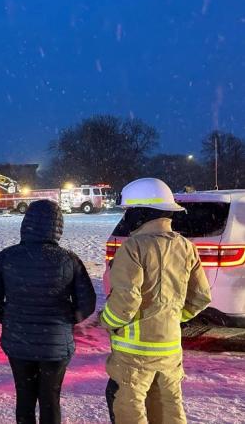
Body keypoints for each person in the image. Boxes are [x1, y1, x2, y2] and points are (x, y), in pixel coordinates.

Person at [101, 178, 212, 424]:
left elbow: (126, 300)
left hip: (134, 355)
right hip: (170, 350)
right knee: (168, 411)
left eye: (129, 211)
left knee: (129, 410)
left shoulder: (133, 248)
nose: (126, 217)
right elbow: (201, 296)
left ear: (141, 213)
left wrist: (108, 321)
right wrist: (172, 318)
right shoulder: (185, 246)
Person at [0, 199, 96, 424]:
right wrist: (66, 320)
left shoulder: (7, 257)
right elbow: (87, 303)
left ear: (26, 224)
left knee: (24, 398)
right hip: (55, 346)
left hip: (18, 342)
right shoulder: (68, 259)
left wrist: (11, 318)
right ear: (58, 226)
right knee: (50, 399)